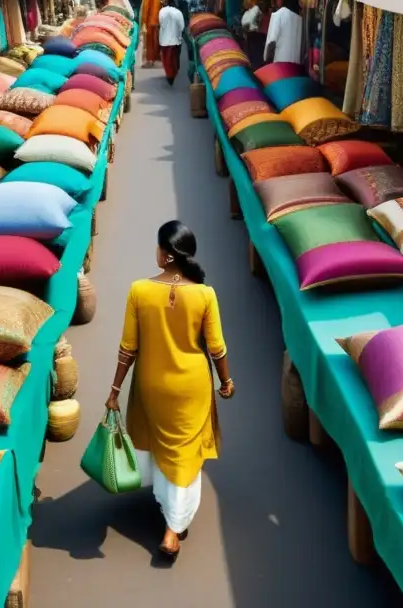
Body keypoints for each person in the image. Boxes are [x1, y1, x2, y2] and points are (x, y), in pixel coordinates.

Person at [106, 221, 233, 561]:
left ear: (166, 254)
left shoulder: (139, 291)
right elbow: (217, 348)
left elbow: (127, 348)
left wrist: (115, 390)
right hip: (192, 386)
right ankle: (173, 529)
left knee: (163, 446)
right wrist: (226, 382)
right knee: (186, 452)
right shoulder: (205, 294)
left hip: (152, 383)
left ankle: (167, 512)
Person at [265, 0, 304, 64]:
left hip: (278, 67)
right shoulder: (300, 20)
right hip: (295, 68)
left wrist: (267, 64)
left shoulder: (278, 15)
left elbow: (271, 43)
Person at [158, 0, 185, 85]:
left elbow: (160, 22)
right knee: (174, 59)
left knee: (166, 59)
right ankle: (173, 73)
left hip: (164, 40)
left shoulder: (161, 11)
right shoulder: (178, 13)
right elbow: (182, 27)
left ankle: (169, 75)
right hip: (176, 41)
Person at [140, 0, 161, 68]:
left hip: (149, 19)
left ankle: (149, 61)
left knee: (148, 42)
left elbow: (146, 5)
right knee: (154, 40)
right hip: (156, 19)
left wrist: (143, 20)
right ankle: (154, 59)